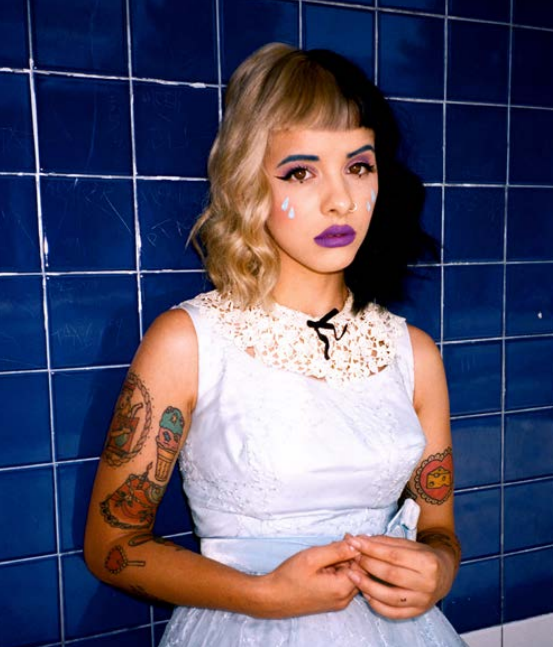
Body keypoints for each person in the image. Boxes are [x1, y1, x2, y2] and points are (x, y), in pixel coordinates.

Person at [85, 42, 467, 646]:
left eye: (358, 166)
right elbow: (111, 544)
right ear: (248, 182)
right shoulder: (188, 341)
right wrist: (263, 596)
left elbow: (437, 529)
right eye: (301, 172)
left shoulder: (412, 353)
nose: (340, 199)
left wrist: (439, 568)